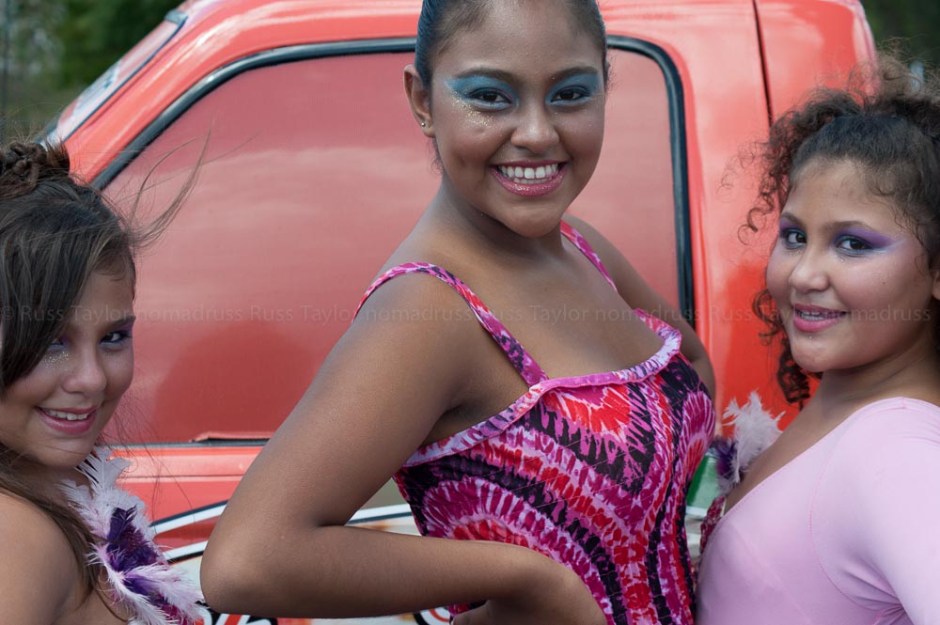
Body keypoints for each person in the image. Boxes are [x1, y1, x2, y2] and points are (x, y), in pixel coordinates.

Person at [200, 1, 715, 623]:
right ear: (422, 101)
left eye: (571, 93)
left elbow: (688, 363)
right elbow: (248, 562)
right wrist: (528, 579)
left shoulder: (580, 245)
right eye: (491, 97)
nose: (536, 132)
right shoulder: (430, 309)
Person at [696, 56, 940, 624]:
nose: (804, 274)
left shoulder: (896, 452)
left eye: (853, 244)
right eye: (795, 235)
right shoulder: (854, 411)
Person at [0, 141, 201, 624]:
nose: (91, 379)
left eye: (113, 336)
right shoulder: (15, 534)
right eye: (51, 342)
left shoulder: (57, 489)